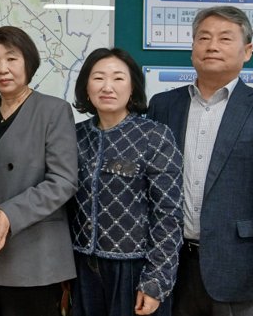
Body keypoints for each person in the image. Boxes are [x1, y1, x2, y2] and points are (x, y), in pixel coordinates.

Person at [148, 5, 253, 316]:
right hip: (172, 268)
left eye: (225, 38)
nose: (212, 46)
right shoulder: (163, 105)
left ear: (247, 51)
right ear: (193, 47)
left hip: (242, 269)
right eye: (203, 37)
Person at [0, 26, 78, 316]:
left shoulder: (53, 110)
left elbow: (63, 181)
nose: (3, 68)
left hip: (33, 256)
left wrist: (9, 214)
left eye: (11, 59)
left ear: (28, 62)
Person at [70, 47, 183, 316]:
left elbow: (168, 213)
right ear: (86, 87)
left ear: (133, 88)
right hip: (82, 267)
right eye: (98, 78)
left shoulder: (155, 136)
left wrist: (156, 280)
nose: (107, 86)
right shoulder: (74, 136)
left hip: (135, 268)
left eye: (118, 78)